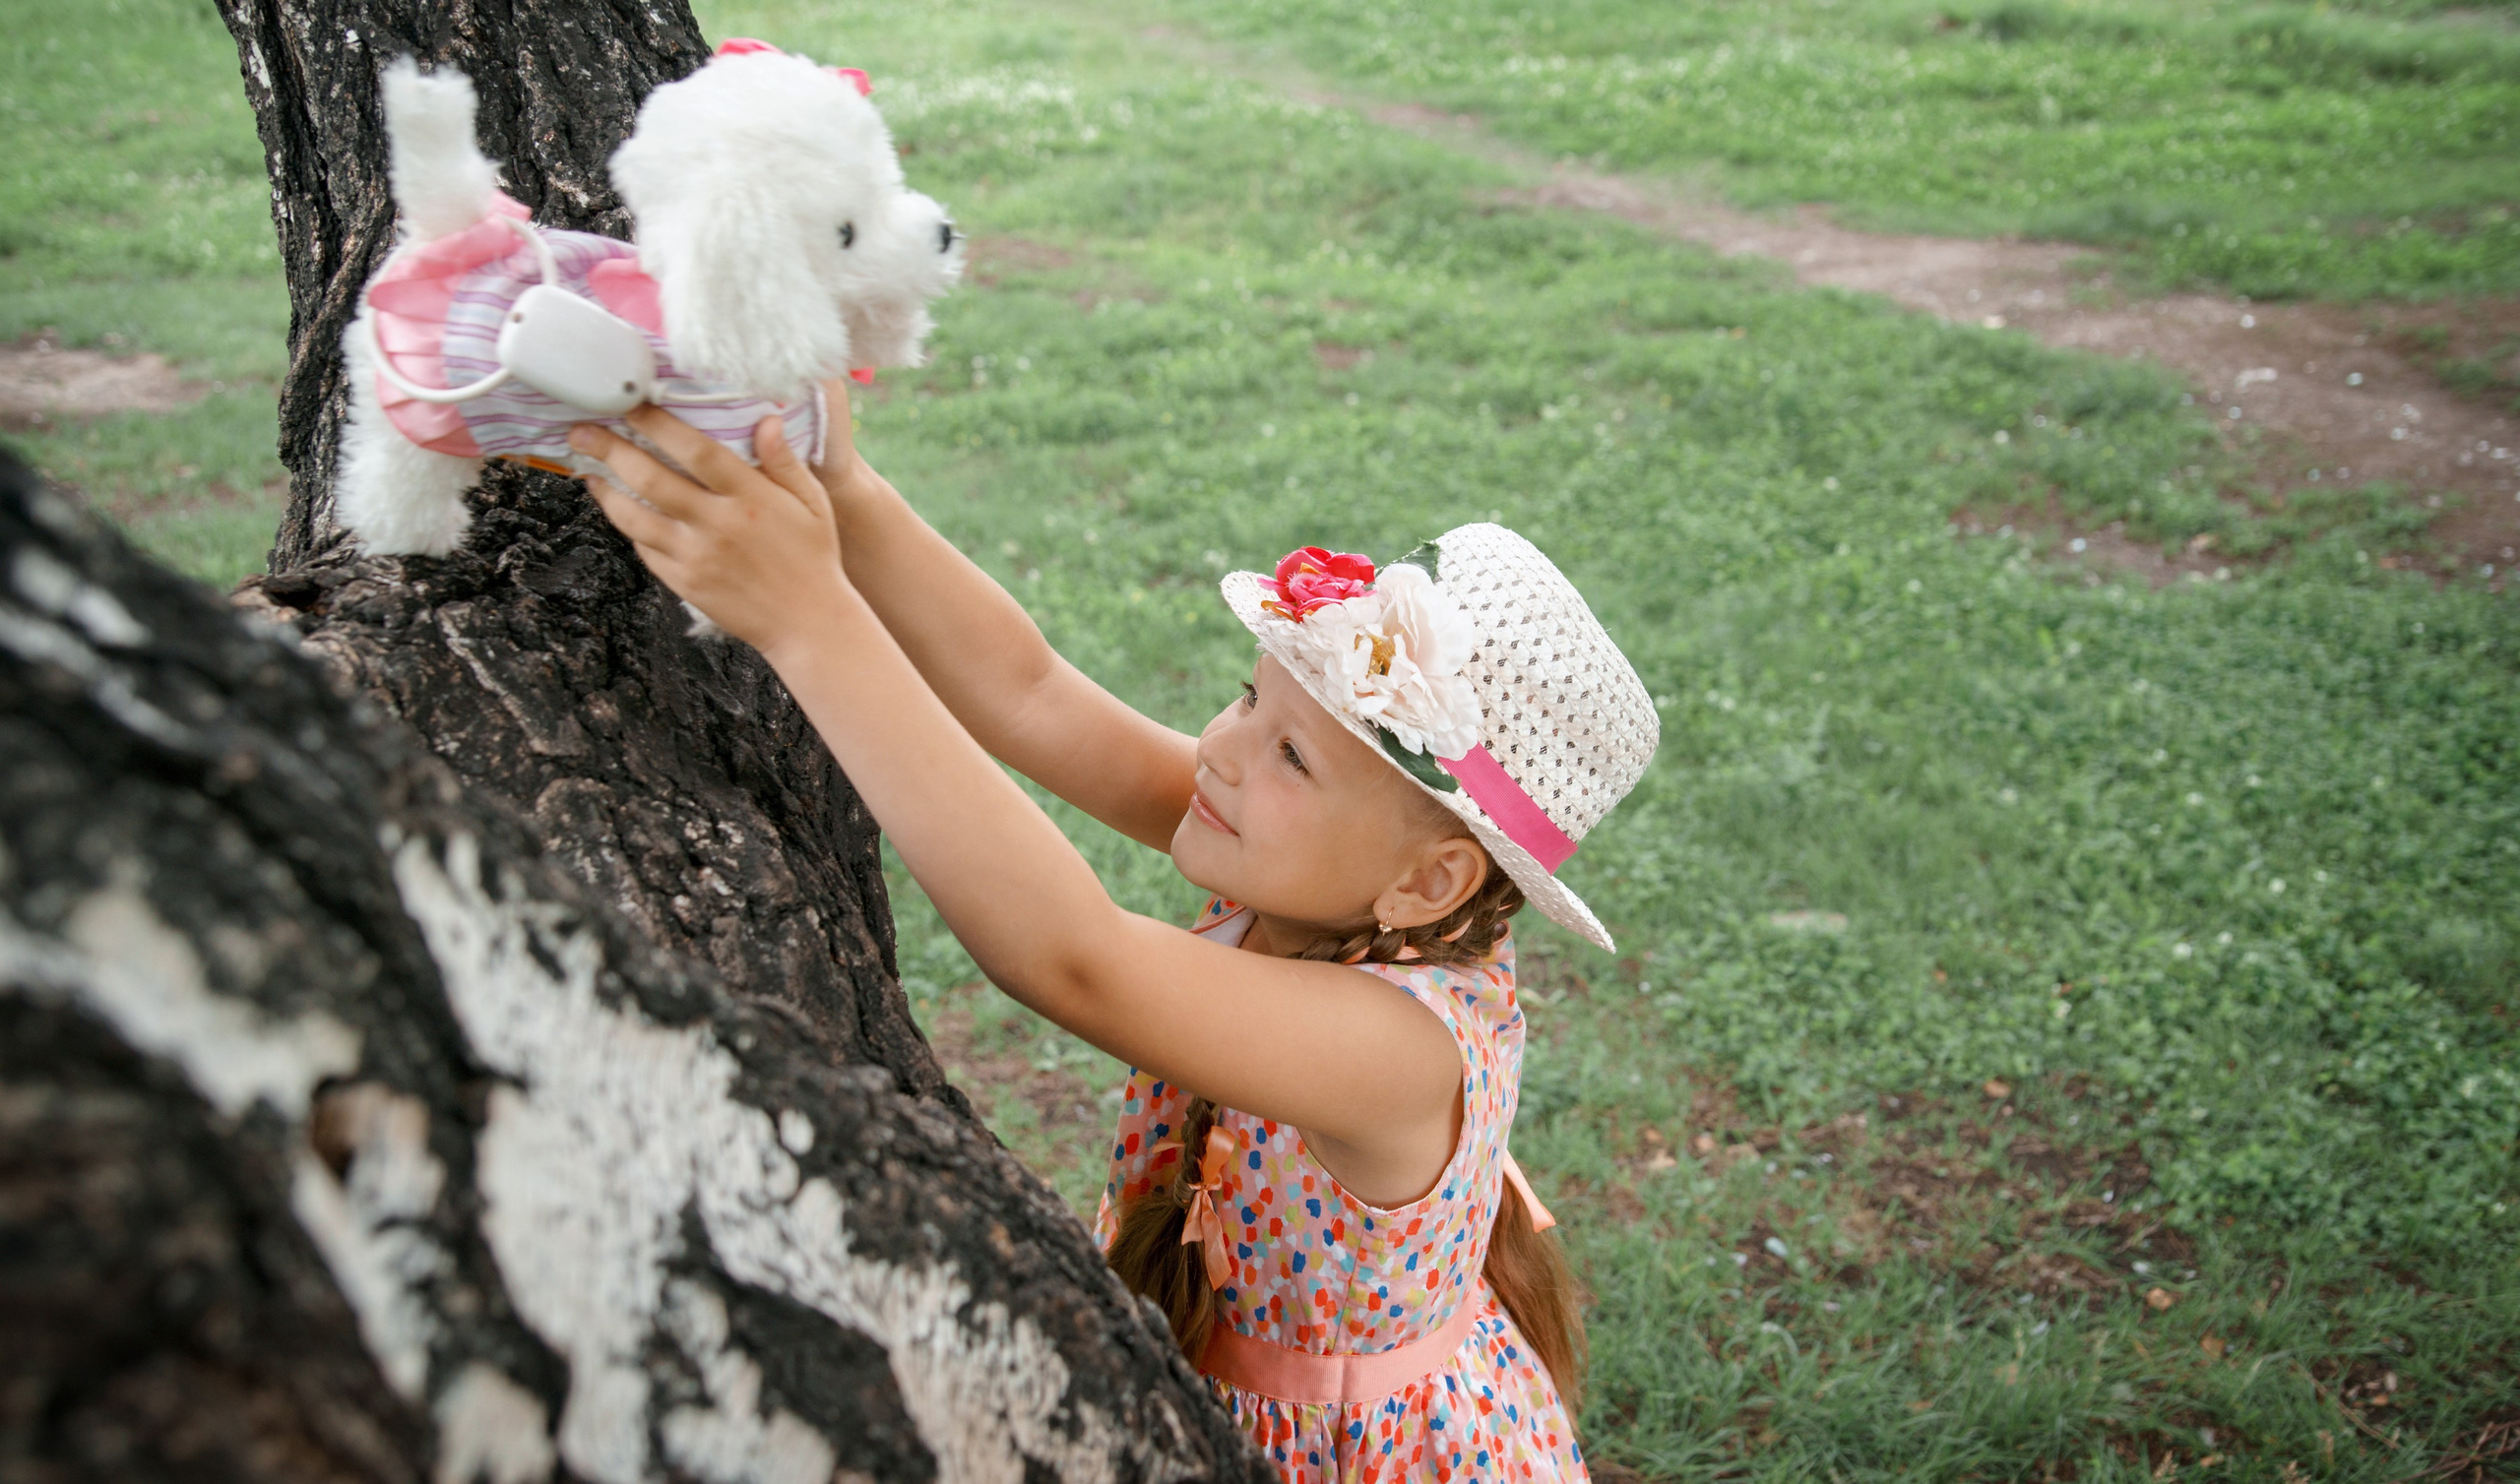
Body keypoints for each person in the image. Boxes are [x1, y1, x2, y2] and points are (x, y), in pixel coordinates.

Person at [567, 381, 1658, 1481]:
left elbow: (1072, 957)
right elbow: (1032, 692)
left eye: (1291, 755)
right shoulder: (1320, 871)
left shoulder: (1402, 1051)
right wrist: (844, 484)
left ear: (1430, 881)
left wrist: (809, 623)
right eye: (1250, 699)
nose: (1221, 748)